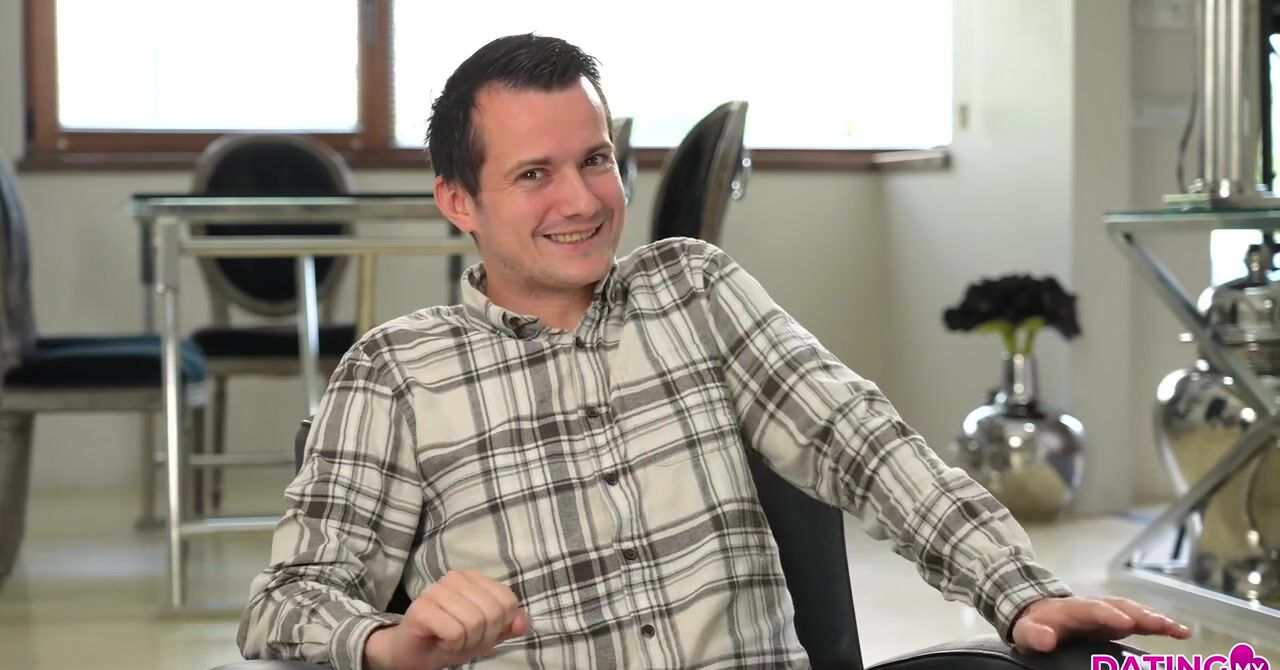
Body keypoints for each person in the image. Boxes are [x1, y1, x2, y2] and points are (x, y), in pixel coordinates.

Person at [238, 33, 1192, 670]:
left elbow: (859, 441)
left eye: (595, 159)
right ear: (458, 200)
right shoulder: (397, 372)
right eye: (534, 174)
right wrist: (390, 642)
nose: (581, 200)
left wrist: (1017, 591)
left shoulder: (692, 288)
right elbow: (288, 601)